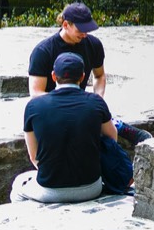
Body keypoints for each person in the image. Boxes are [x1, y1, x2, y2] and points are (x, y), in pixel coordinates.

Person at [10, 52, 130, 202]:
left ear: (53, 76)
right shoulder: (96, 102)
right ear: (82, 76)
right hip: (91, 188)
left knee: (18, 185)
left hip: (50, 189)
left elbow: (34, 156)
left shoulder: (34, 106)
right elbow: (111, 139)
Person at [28, 2, 150, 145]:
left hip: (80, 103)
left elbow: (99, 75)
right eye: (81, 30)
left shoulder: (93, 45)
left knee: (93, 116)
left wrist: (97, 100)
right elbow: (36, 93)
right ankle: (116, 125)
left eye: (88, 29)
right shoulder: (43, 51)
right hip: (52, 106)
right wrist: (67, 102)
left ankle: (119, 128)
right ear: (66, 25)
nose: (85, 34)